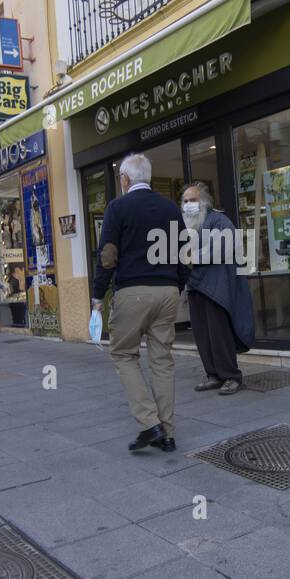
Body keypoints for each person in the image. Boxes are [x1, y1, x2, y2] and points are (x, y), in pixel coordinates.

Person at [92, 153, 185, 453]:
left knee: (123, 354)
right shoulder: (171, 208)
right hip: (168, 292)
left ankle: (149, 424)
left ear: (125, 179)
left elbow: (108, 255)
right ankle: (167, 434)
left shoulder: (117, 207)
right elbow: (185, 253)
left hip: (133, 291)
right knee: (162, 360)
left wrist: (98, 295)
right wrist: (176, 285)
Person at [182, 183, 255, 394]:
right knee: (202, 335)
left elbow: (224, 247)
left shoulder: (220, 220)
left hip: (217, 287)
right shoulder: (186, 225)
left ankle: (231, 376)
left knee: (218, 334)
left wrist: (191, 257)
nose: (188, 205)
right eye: (185, 201)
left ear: (204, 202)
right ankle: (212, 374)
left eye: (193, 200)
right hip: (196, 286)